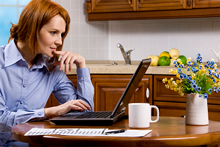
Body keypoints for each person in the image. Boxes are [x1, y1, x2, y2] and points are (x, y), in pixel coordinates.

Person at [0, 0, 94, 146]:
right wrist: (49, 112)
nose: (59, 41)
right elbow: (1, 120)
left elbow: (86, 115)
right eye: (53, 33)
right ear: (32, 28)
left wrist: (81, 65)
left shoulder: (52, 69)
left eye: (62, 34)